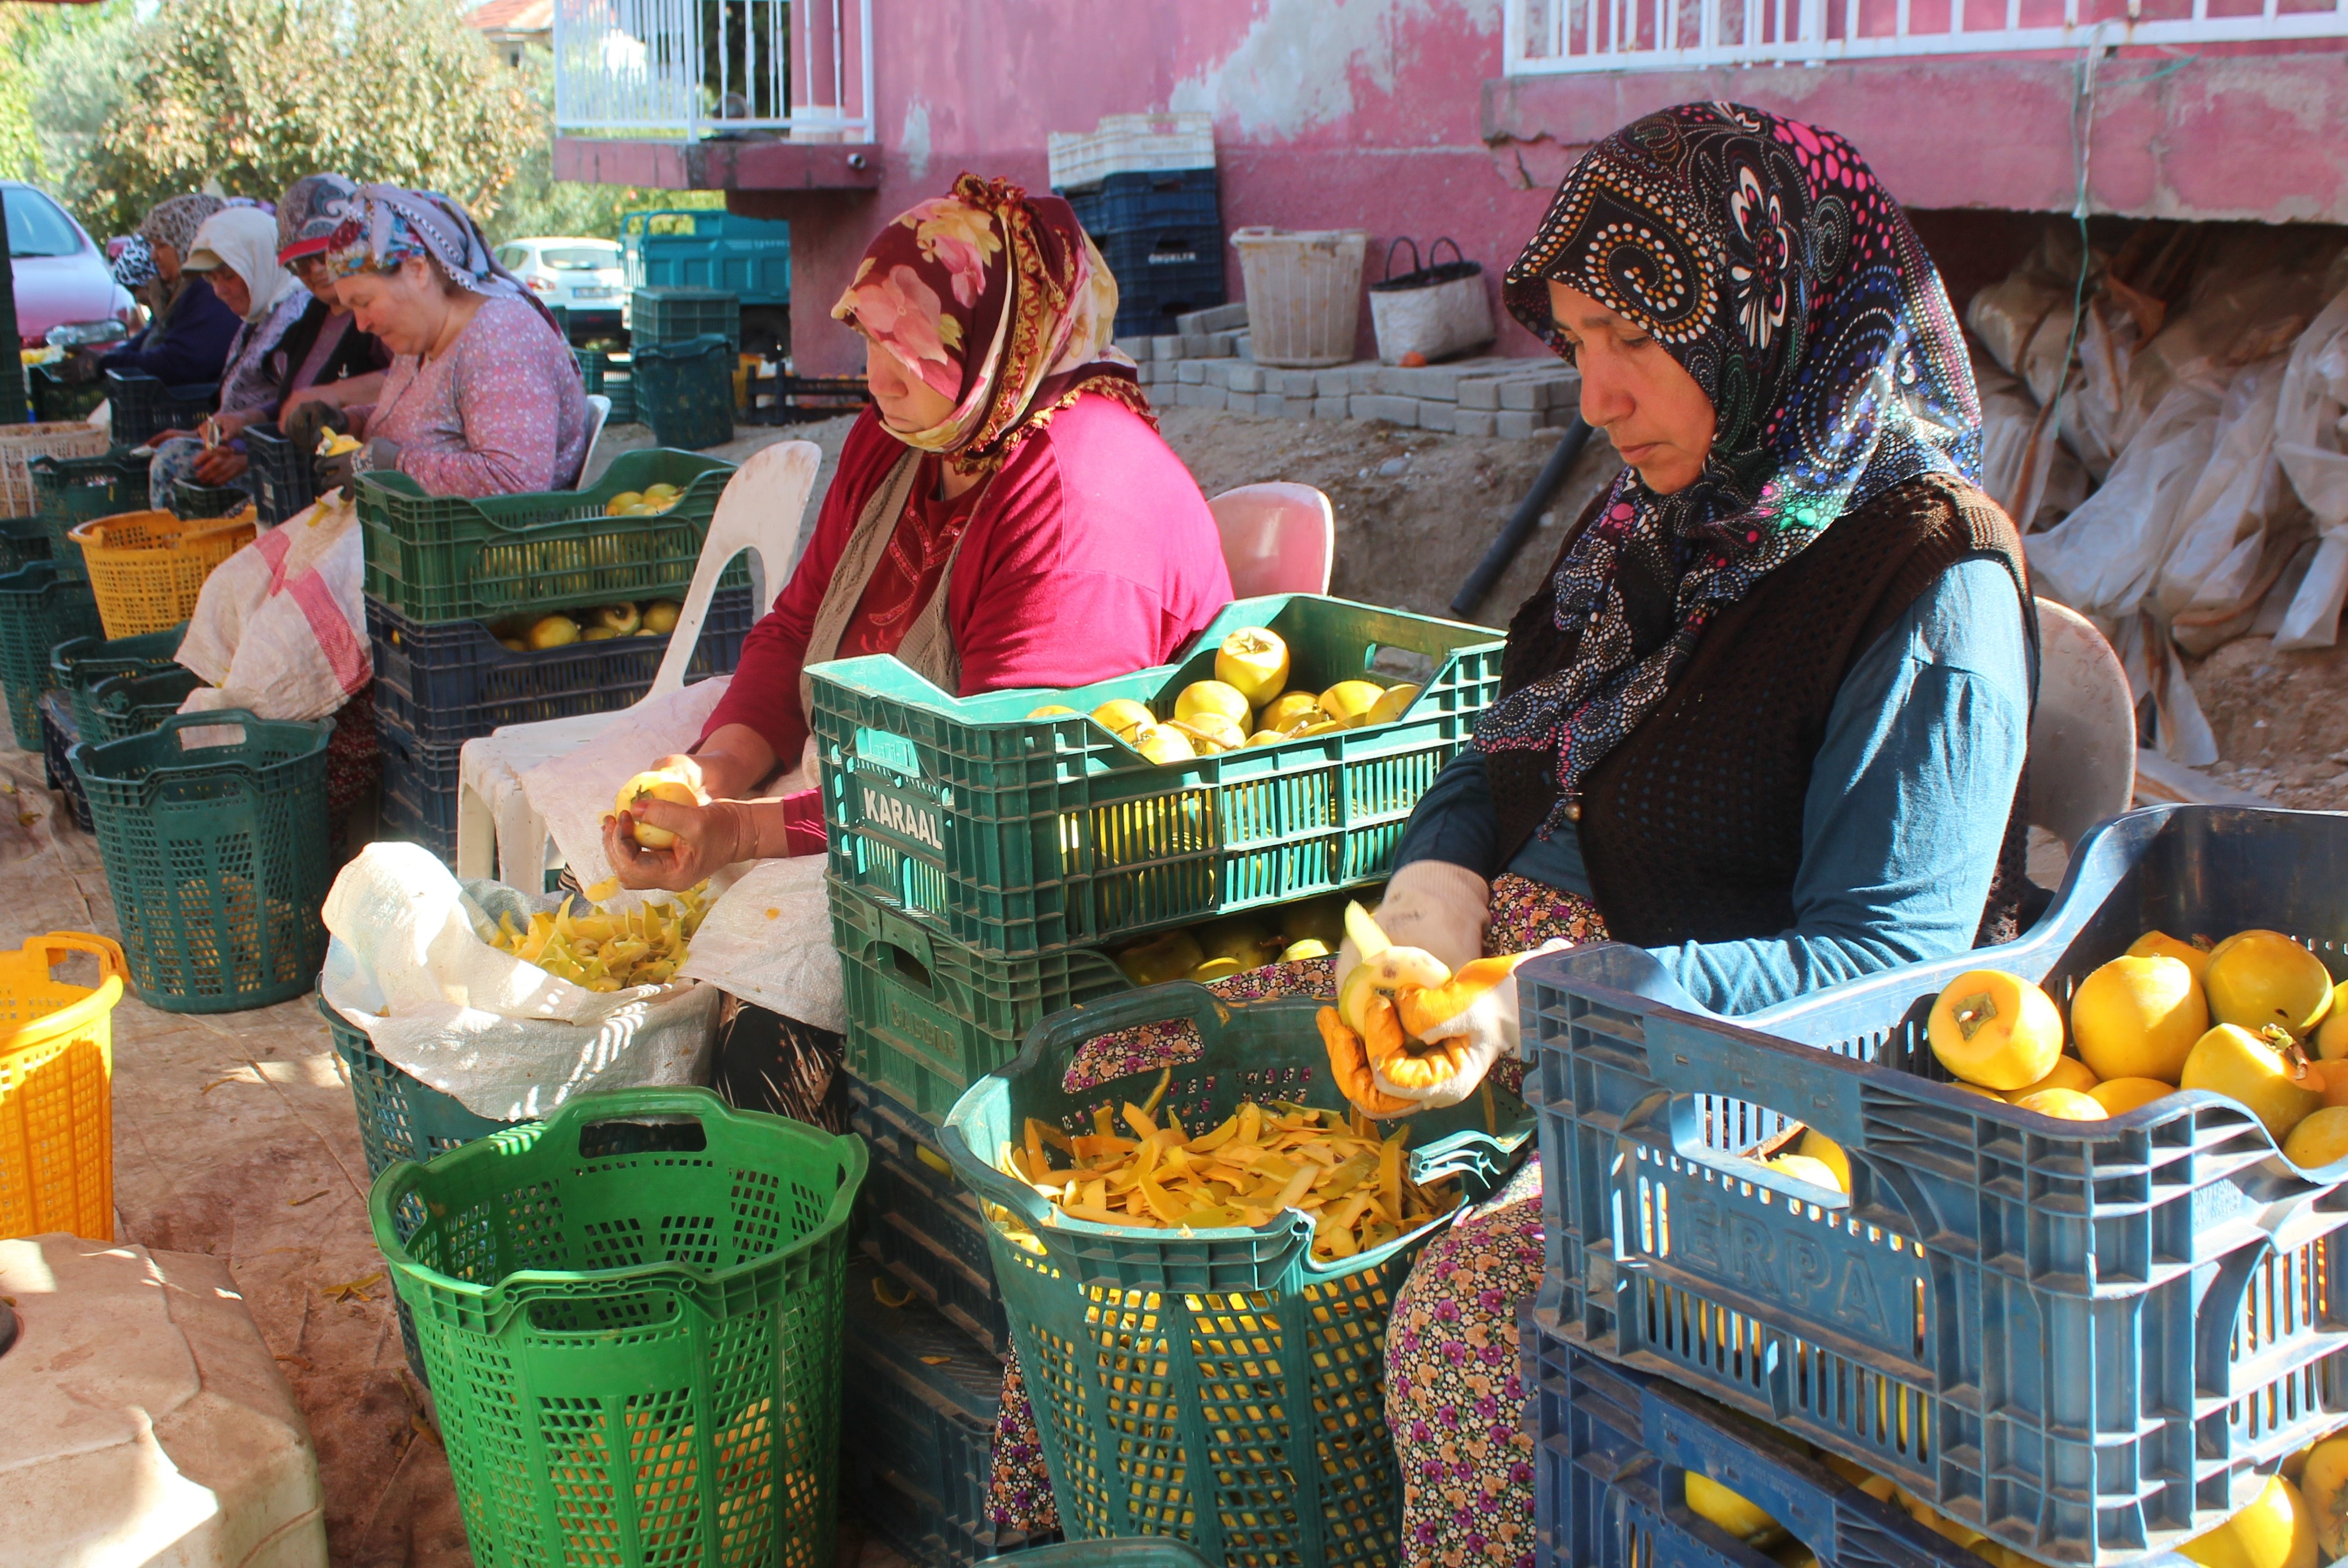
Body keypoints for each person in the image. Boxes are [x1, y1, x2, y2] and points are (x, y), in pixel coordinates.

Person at [604, 172, 1236, 1127]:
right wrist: (711, 771)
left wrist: (737, 831)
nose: (874, 374)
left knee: (773, 992)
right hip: (870, 795)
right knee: (599, 855)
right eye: (867, 338)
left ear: (993, 344)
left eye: (905, 348)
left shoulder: (1077, 499)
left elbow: (991, 795)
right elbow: (798, 623)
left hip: (1023, 864)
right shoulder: (917, 433)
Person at [301, 185, 588, 497]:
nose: (361, 323)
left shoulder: (501, 340)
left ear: (417, 270)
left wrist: (391, 467)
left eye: (365, 301)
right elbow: (424, 420)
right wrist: (348, 421)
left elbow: (516, 482)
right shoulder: (422, 337)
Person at [143, 206, 312, 507]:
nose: (220, 291)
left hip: (289, 468)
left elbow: (301, 413)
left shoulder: (295, 317)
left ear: (259, 263)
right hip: (246, 447)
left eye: (229, 276)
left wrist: (249, 456)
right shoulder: (261, 313)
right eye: (212, 279)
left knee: (173, 463)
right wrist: (204, 435)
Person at [91, 195, 240, 389]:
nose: (154, 256)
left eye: (161, 246)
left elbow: (179, 362)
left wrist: (105, 364)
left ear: (188, 242)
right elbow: (145, 339)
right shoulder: (181, 292)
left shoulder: (211, 292)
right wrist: (105, 360)